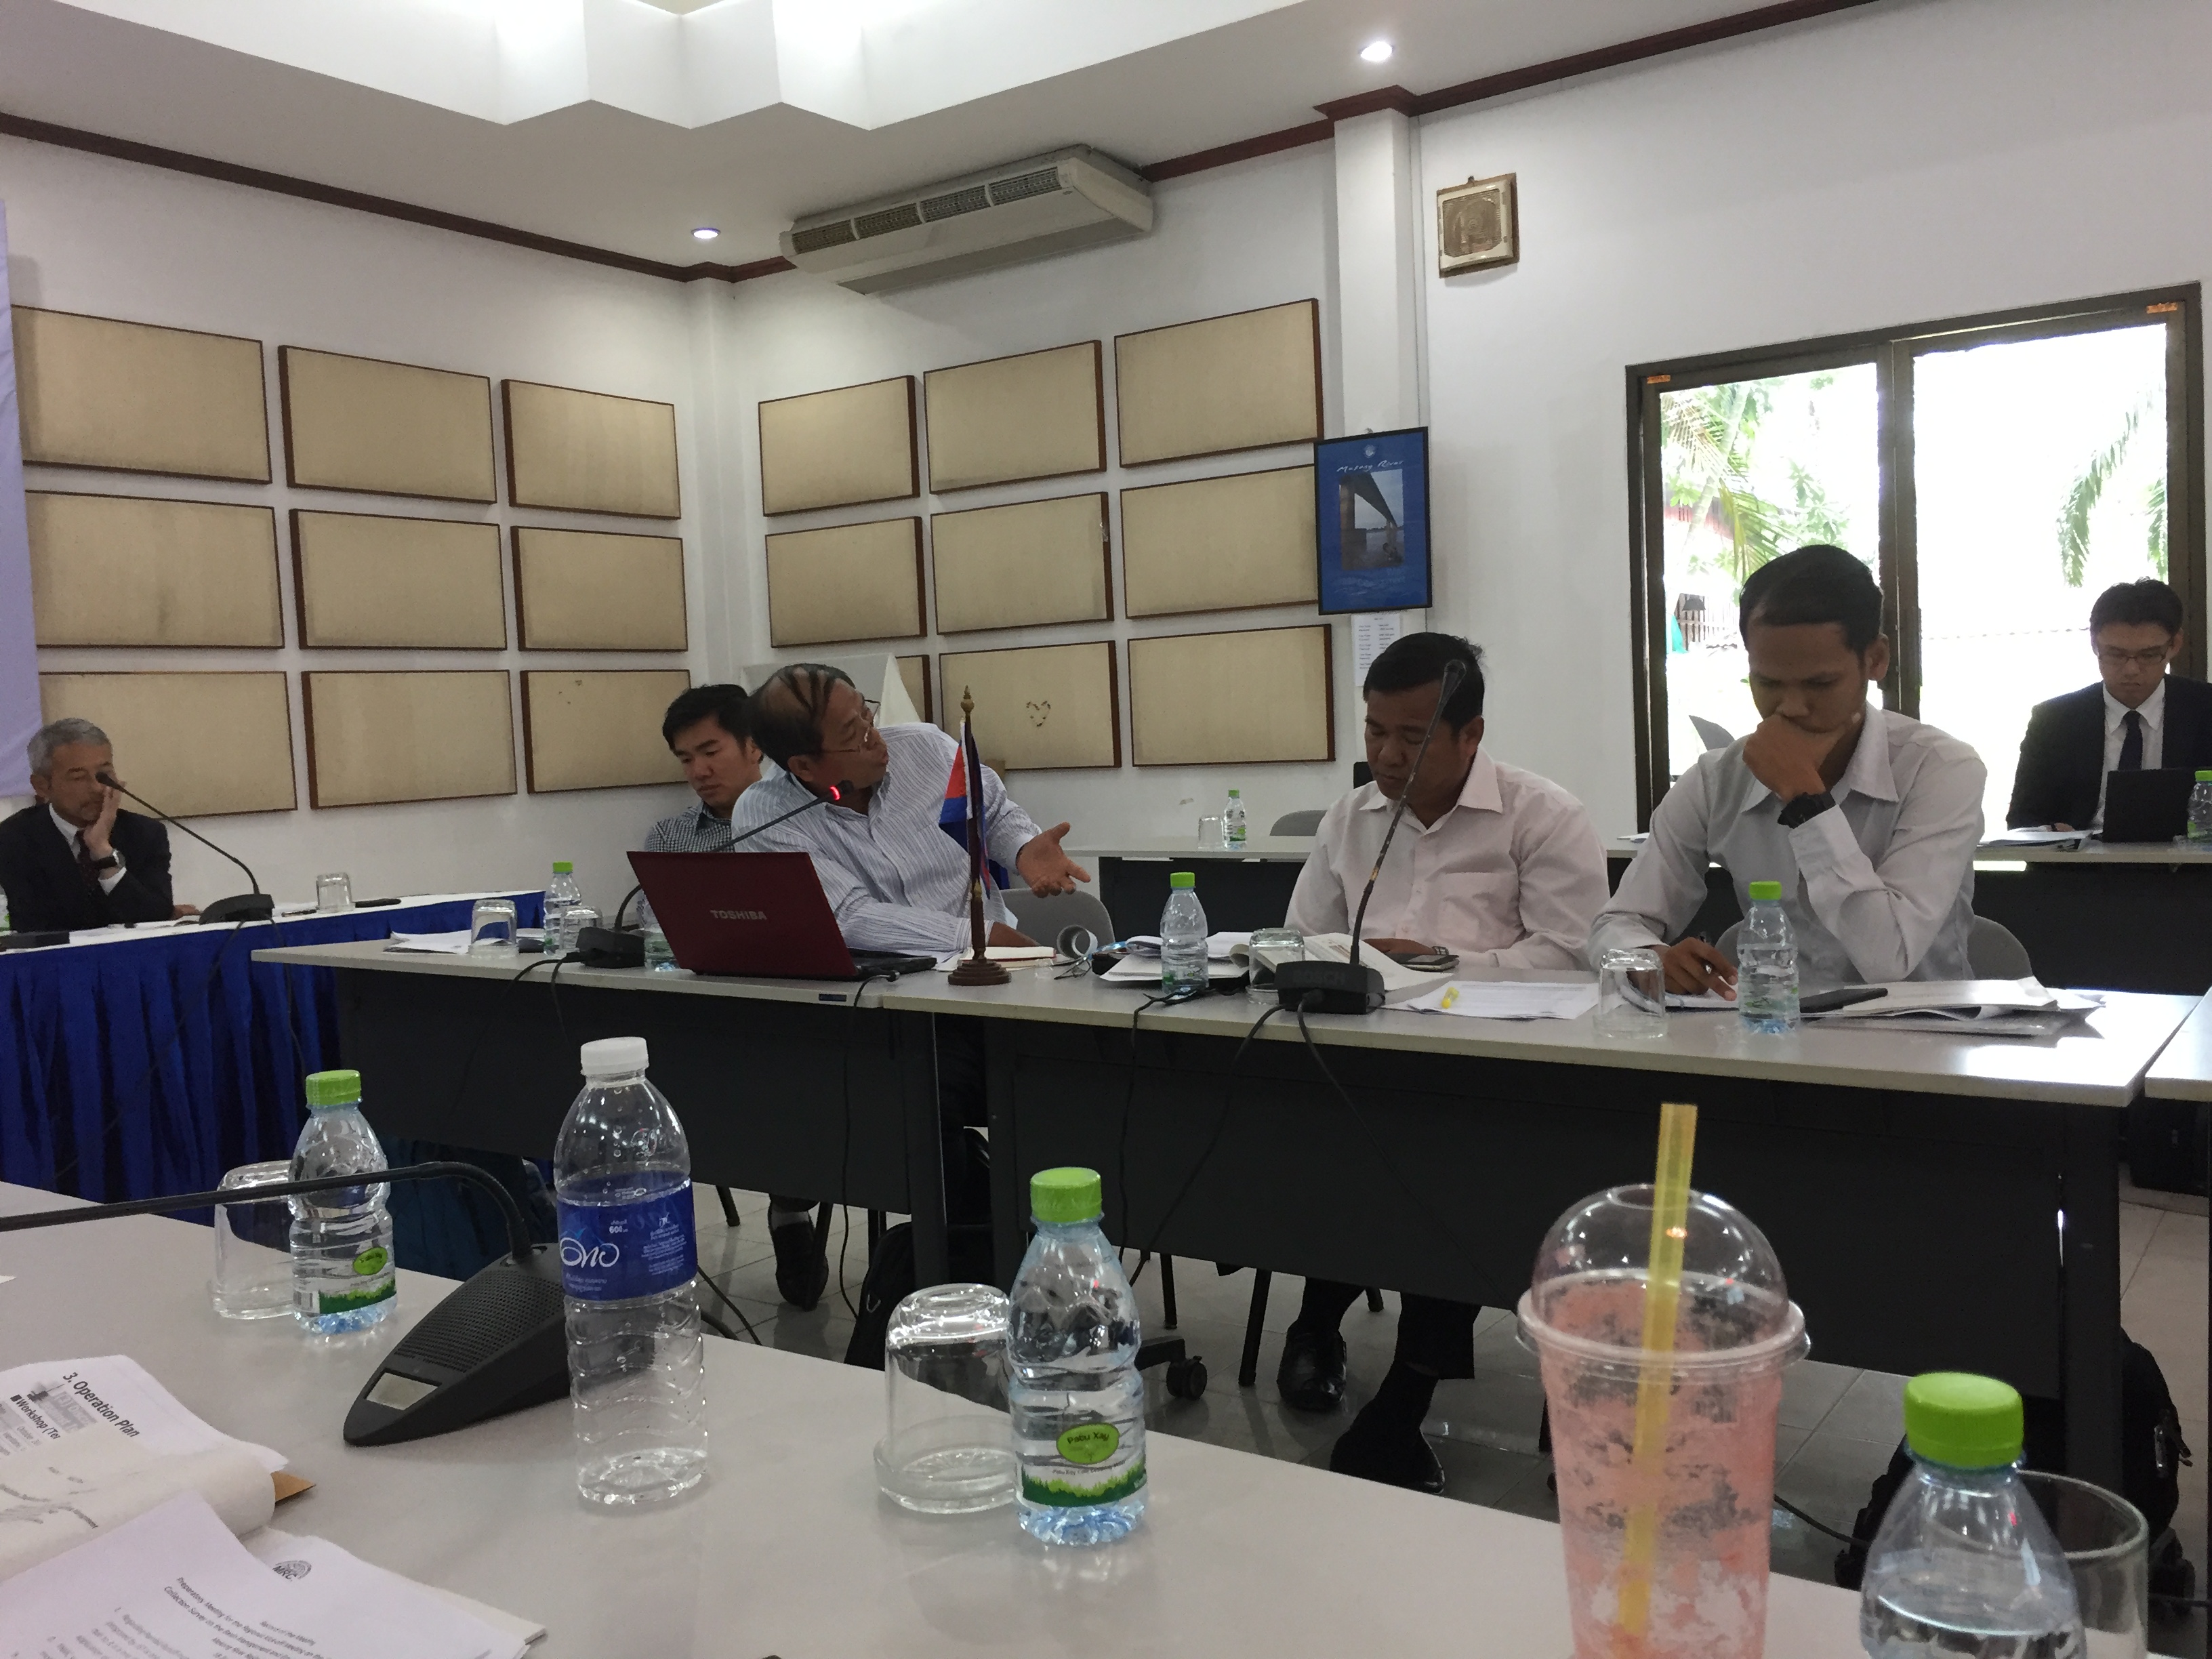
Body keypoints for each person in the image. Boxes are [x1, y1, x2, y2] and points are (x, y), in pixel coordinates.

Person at [1277, 631, 1609, 1494]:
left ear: (1471, 735)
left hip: (1493, 1079)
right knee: (1315, 1138)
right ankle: (1316, 1322)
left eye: (1411, 737)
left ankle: (1407, 1392)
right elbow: (1300, 936)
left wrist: (1433, 963)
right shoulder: (1351, 819)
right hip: (1360, 1066)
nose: (1386, 757)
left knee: (1446, 1169)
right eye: (1374, 731)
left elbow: (1574, 959)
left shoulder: (1544, 817)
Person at [729, 664, 1092, 1307]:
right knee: (908, 1107)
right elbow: (846, 918)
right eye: (853, 732)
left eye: (867, 716)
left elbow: (992, 809)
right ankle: (973, 1259)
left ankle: (1024, 1246)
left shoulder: (924, 748)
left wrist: (1022, 848)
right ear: (805, 767)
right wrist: (968, 939)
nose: (876, 737)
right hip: (891, 1017)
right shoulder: (764, 814)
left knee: (1072, 1087)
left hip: (998, 997)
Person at [1591, 544, 1984, 997]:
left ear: (1875, 659)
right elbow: (1616, 924)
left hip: (1921, 1027)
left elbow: (1888, 958)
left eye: (1820, 683)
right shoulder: (1718, 780)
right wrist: (1646, 957)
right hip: (1769, 1025)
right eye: (1768, 683)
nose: (1791, 707)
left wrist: (1805, 800)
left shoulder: (1941, 769)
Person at [2007, 578, 2212, 832]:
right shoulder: (2054, 721)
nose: (2131, 669)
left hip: (2184, 855)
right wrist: (2051, 832)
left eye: (2148, 655)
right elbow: (2021, 821)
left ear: (2175, 645)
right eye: (2115, 654)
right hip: (2080, 855)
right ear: (2094, 644)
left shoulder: (2205, 710)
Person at [0, 718, 184, 933]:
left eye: (104, 775)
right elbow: (35, 926)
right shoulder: (12, 840)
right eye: (79, 778)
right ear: (42, 786)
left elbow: (155, 920)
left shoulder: (144, 833)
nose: (98, 788)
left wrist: (103, 853)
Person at [644, 683, 765, 852]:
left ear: (754, 747)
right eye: (686, 760)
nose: (699, 772)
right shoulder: (667, 838)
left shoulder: (797, 819)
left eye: (711, 752)